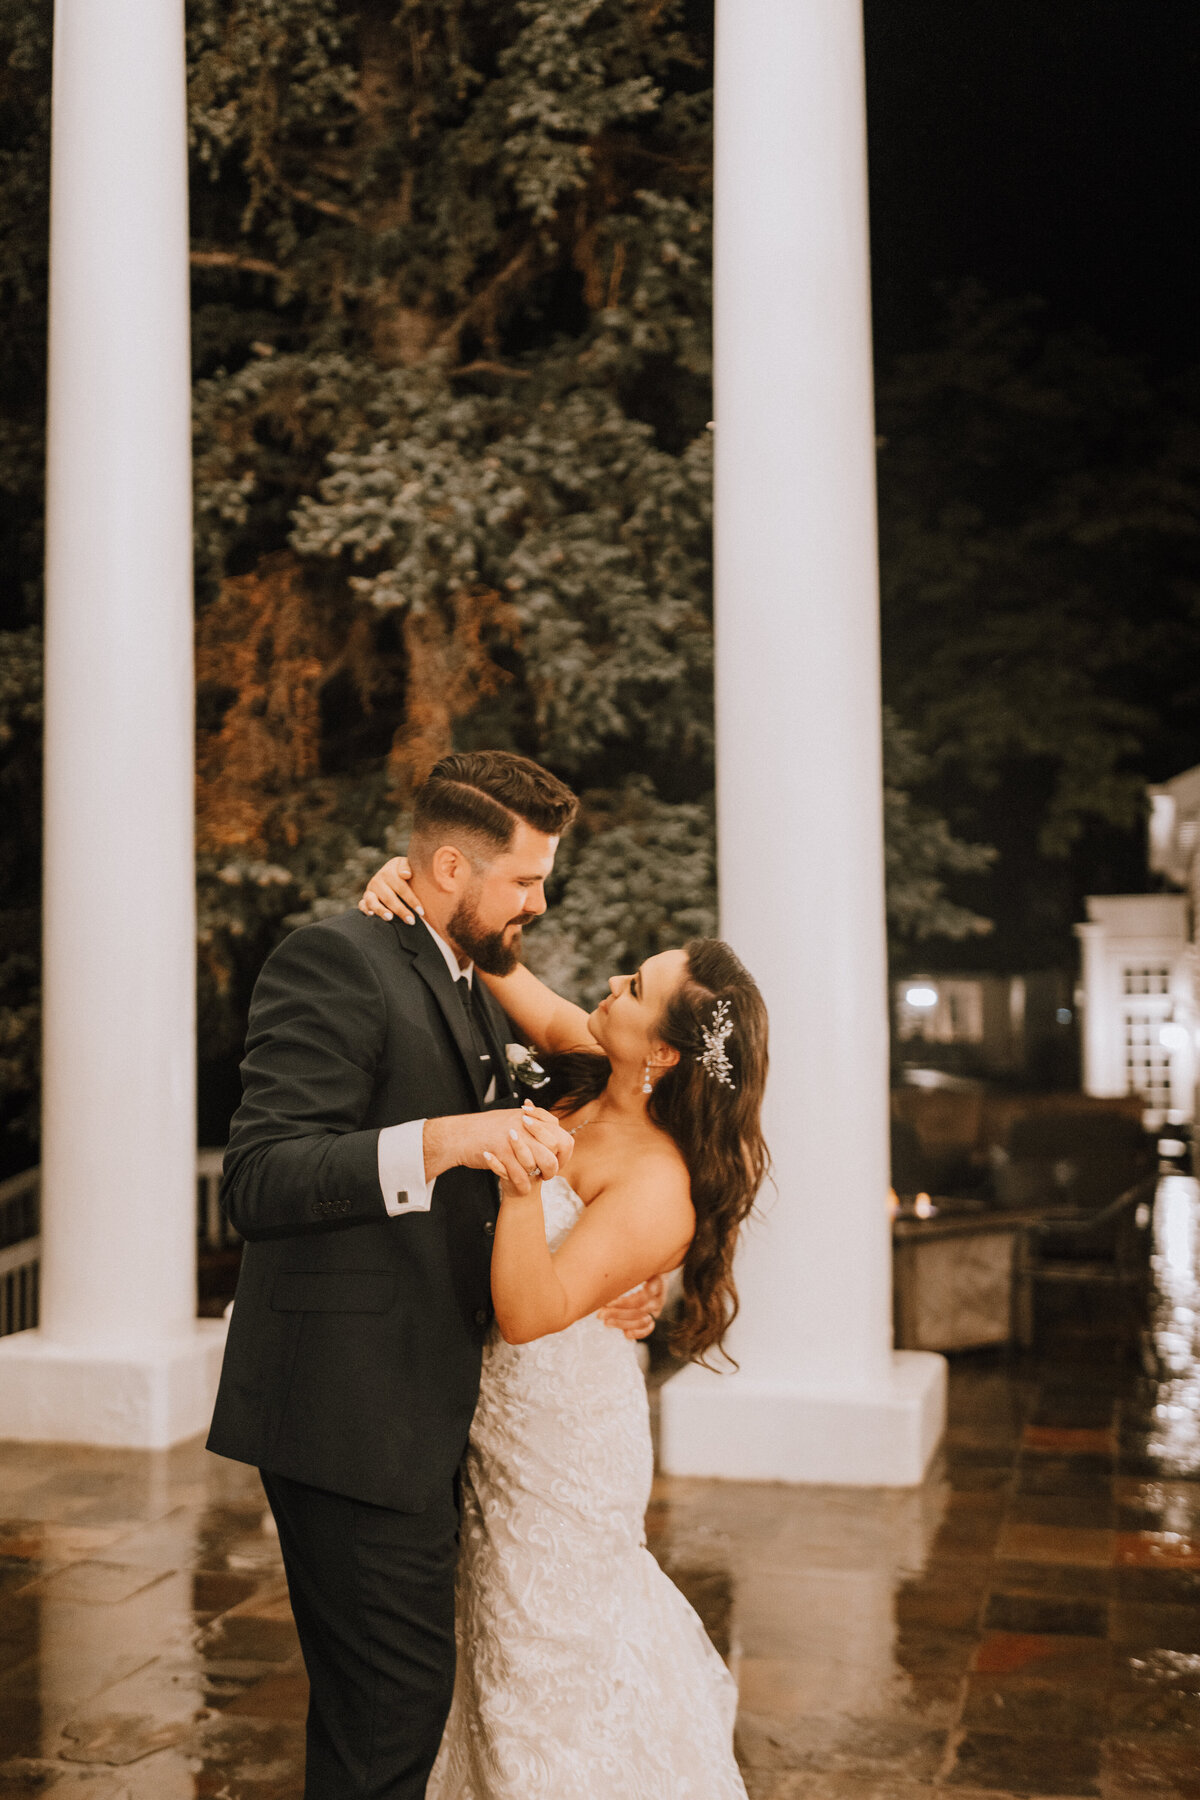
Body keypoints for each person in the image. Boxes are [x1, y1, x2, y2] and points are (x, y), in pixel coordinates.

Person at [207, 751, 662, 1800]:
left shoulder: (465, 980)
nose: (540, 904)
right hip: (349, 1411)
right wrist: (448, 1138)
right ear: (450, 868)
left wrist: (626, 1278)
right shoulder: (336, 960)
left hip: (427, 1410)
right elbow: (263, 1178)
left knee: (397, 1710)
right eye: (525, 881)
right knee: (389, 1719)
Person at [359, 852, 770, 1800]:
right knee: (493, 1658)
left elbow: (532, 1310)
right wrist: (409, 881)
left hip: (561, 1445)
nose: (610, 985)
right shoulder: (587, 1067)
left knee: (536, 1666)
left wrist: (520, 1176)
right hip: (492, 1420)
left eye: (634, 986)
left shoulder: (658, 1182)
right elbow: (498, 964)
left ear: (661, 1053)